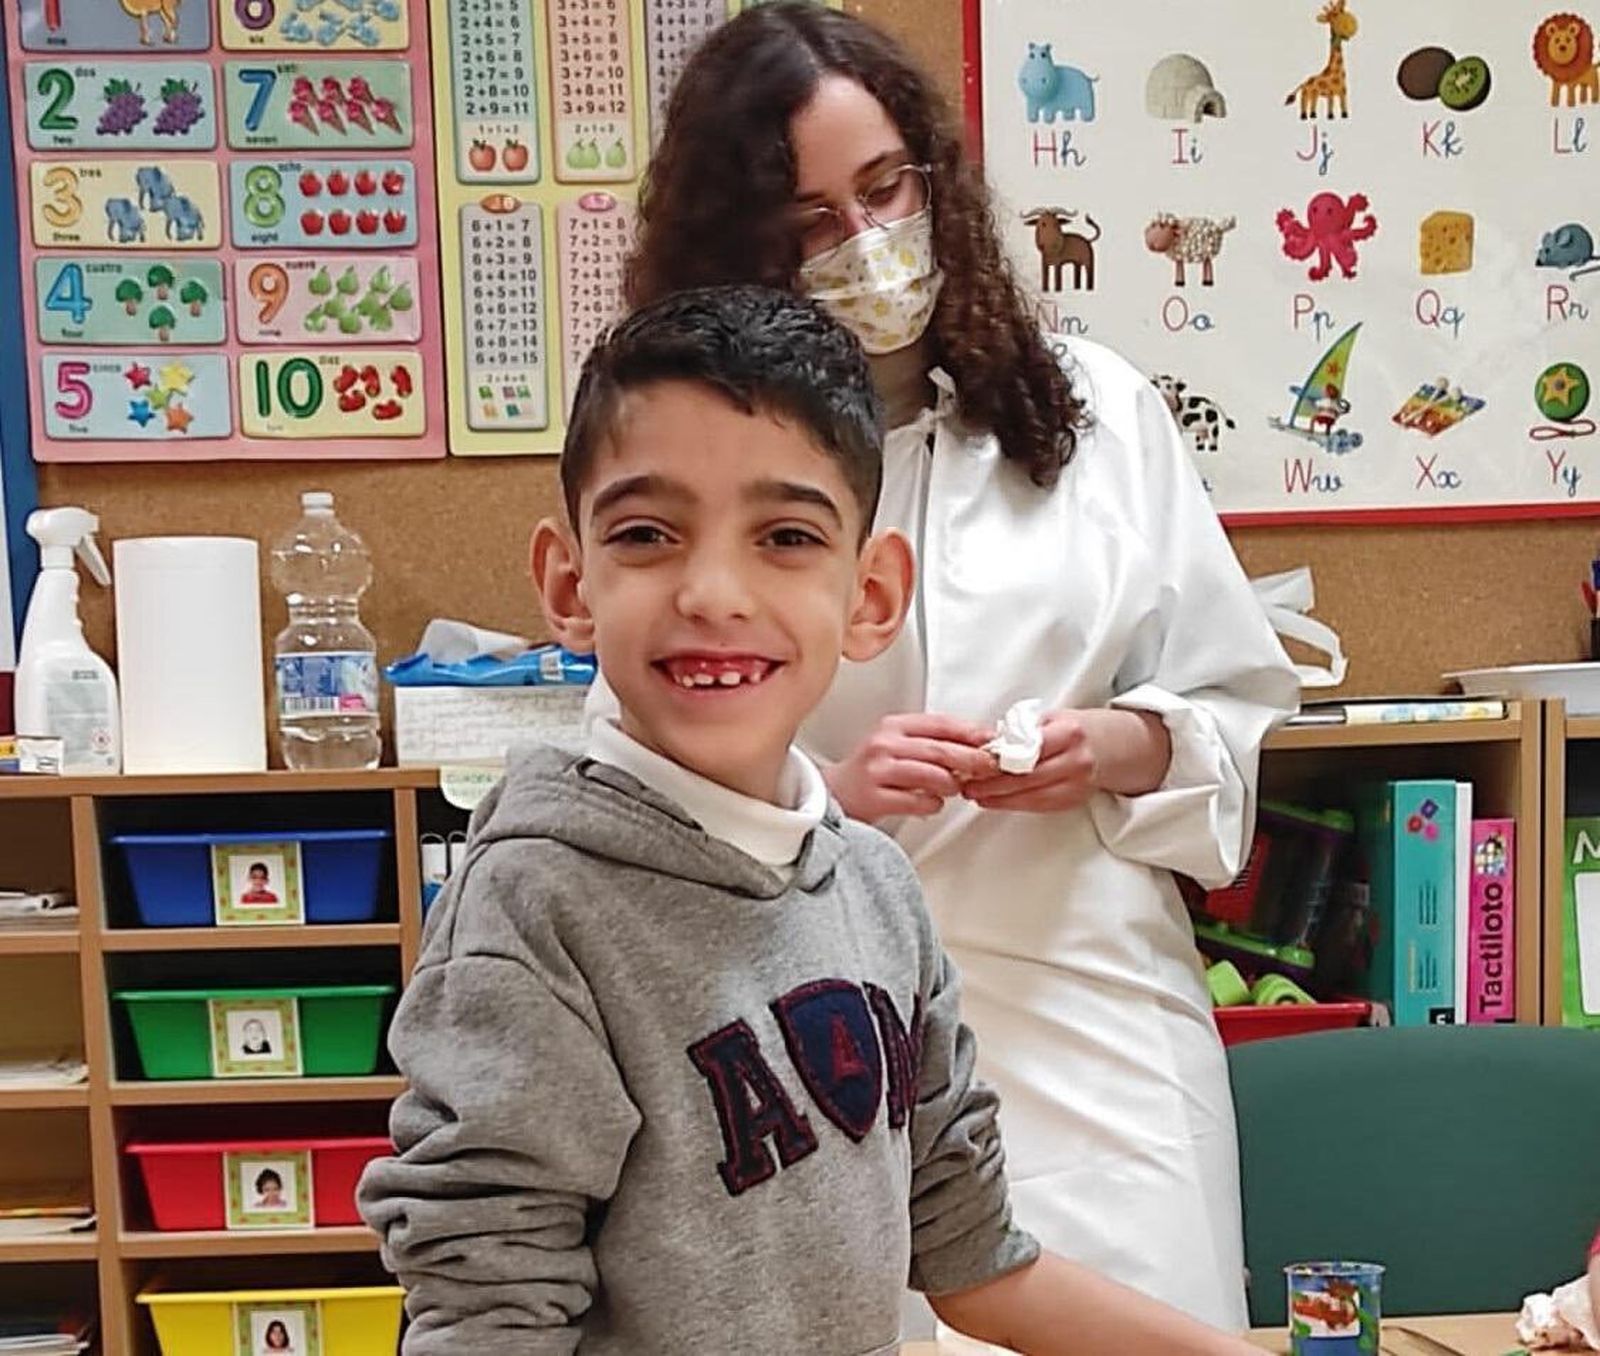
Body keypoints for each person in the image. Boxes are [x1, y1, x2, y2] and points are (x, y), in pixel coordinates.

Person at [357, 286, 1265, 1356]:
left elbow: (976, 1262)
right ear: (570, 583)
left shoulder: (876, 892)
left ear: (871, 595)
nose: (713, 591)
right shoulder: (534, 905)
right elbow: (488, 1317)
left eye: (784, 536)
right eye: (647, 534)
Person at [612, 2, 1301, 1331]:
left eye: (886, 190)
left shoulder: (1095, 414)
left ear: (935, 179)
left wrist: (1120, 747)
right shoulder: (693, 452)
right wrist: (829, 793)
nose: (866, 244)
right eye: (811, 219)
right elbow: (628, 771)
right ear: (737, 242)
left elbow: (1233, 698)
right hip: (810, 1045)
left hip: (1098, 1032)